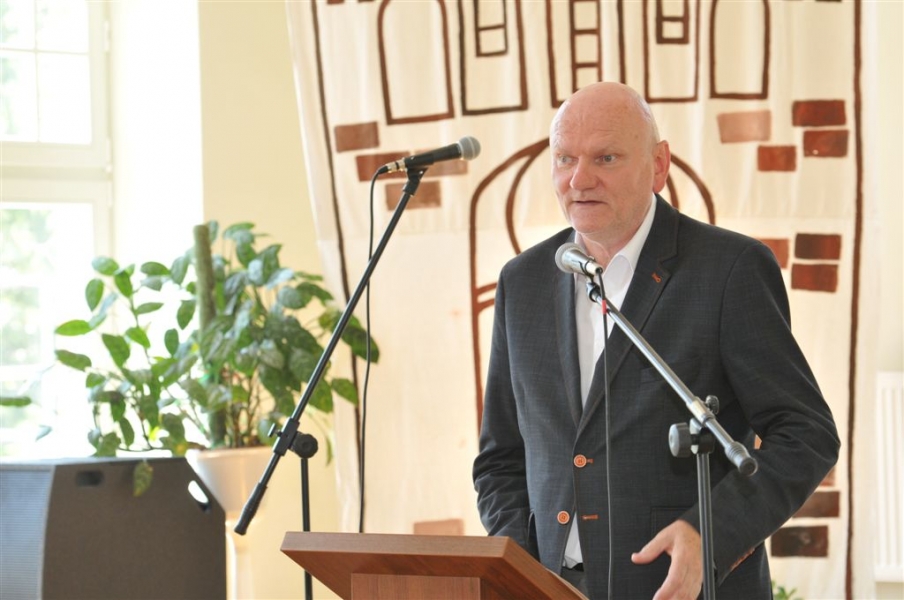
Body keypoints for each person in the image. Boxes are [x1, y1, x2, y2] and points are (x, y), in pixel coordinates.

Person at [472, 82, 840, 599]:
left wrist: (710, 535)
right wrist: (521, 569)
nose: (579, 179)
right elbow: (501, 458)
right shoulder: (523, 280)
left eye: (606, 158)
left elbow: (805, 435)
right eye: (564, 159)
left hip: (680, 586)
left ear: (659, 165)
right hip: (552, 585)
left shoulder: (729, 269)